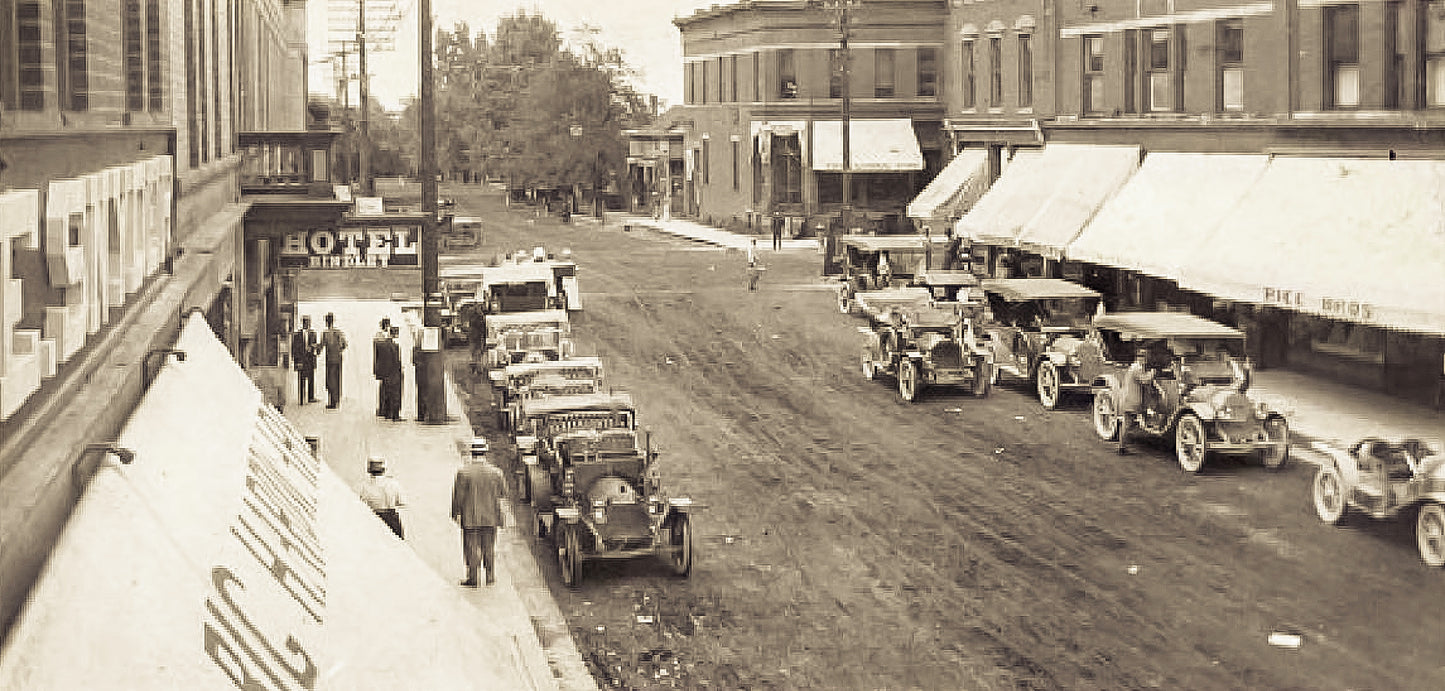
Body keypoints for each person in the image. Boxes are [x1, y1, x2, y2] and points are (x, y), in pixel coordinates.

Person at [451, 437, 508, 587]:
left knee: (471, 547)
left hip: (470, 516)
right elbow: (502, 493)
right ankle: (490, 576)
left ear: (472, 453)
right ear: (485, 452)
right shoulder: (496, 472)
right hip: (491, 516)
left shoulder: (464, 473)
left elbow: (458, 497)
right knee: (489, 547)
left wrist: (455, 513)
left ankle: (473, 578)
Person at [1118, 348, 1156, 455]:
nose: (1144, 360)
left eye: (1144, 357)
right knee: (1128, 423)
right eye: (1142, 357)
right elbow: (1145, 380)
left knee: (1128, 423)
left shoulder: (1134, 367)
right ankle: (1122, 447)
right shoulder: (1136, 368)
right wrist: (1152, 373)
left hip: (1129, 399)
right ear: (1139, 358)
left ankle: (1123, 446)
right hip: (1131, 400)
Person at [359, 456, 405, 539]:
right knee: (396, 545)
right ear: (383, 469)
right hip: (391, 517)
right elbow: (401, 502)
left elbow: (361, 503)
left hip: (373, 518)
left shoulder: (364, 485)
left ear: (369, 469)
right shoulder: (393, 483)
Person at [319, 312, 348, 408]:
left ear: (327, 322)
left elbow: (321, 346)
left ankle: (332, 401)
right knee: (337, 379)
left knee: (330, 380)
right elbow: (344, 345)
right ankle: (336, 400)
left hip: (330, 360)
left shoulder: (326, 333)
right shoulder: (338, 332)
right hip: (338, 359)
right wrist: (339, 350)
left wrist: (314, 349)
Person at [291, 315, 319, 404]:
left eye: (309, 322)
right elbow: (294, 349)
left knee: (311, 378)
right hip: (301, 360)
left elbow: (316, 346)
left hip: (310, 360)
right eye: (306, 322)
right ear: (303, 323)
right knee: (301, 379)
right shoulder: (297, 335)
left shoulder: (313, 334)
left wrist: (313, 347)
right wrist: (297, 361)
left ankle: (311, 397)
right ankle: (301, 398)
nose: (308, 324)